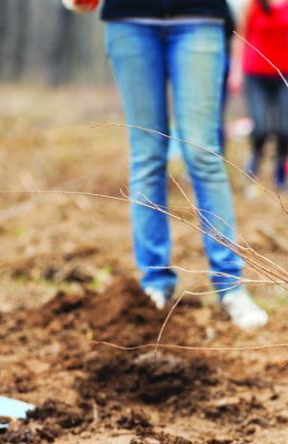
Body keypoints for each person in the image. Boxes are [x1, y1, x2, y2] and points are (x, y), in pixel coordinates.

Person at [62, 0, 269, 331]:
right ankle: (154, 283)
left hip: (198, 17)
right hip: (130, 21)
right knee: (147, 157)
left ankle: (230, 285)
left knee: (203, 154)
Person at [229, 0, 288, 191]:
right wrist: (235, 71)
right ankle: (256, 155)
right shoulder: (253, 5)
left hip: (287, 76)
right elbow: (240, 37)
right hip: (255, 76)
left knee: (284, 130)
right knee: (261, 128)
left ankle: (280, 172)